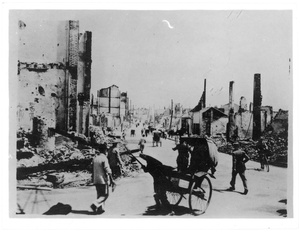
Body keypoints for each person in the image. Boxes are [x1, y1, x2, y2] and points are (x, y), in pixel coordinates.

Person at [90, 143, 116, 214]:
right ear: (105, 150)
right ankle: (95, 204)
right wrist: (112, 180)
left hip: (96, 179)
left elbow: (91, 169)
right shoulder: (104, 158)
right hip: (103, 180)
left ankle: (100, 208)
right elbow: (107, 170)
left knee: (99, 194)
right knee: (105, 195)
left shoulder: (95, 158)